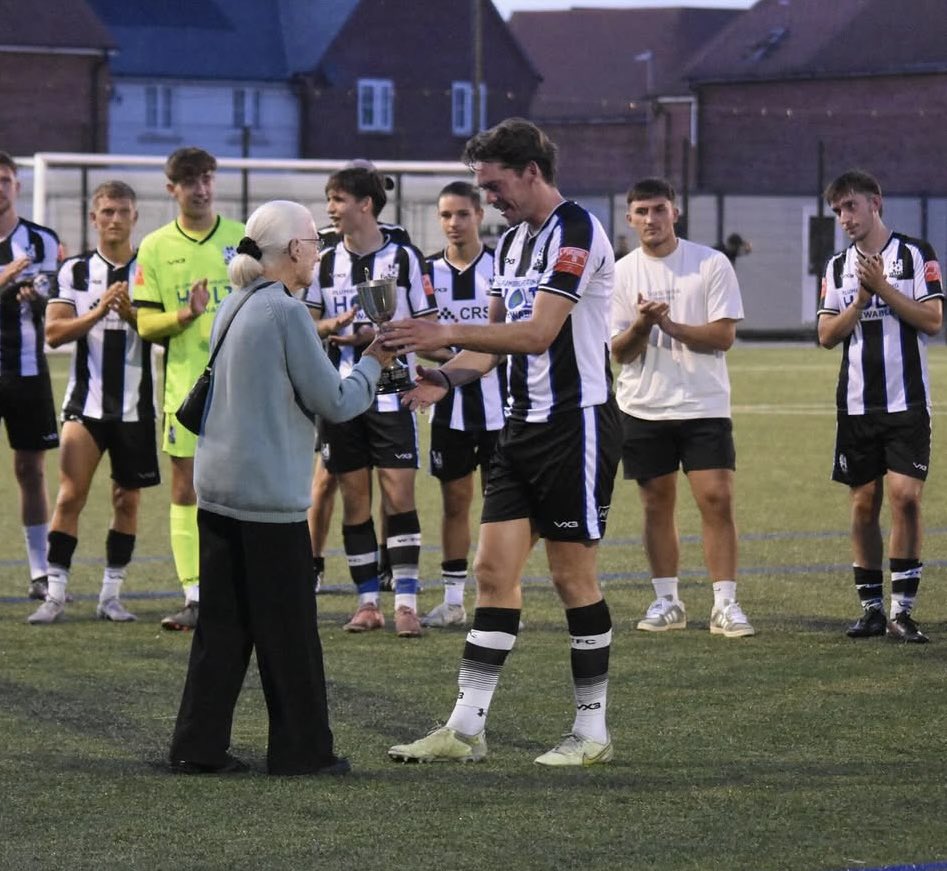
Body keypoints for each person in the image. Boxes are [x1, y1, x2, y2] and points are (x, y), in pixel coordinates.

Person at [384, 117, 621, 766]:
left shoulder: (577, 230)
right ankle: (464, 729)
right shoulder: (512, 243)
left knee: (573, 578)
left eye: (495, 186)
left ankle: (591, 732)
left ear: (531, 173)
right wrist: (443, 373)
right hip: (519, 428)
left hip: (576, 428)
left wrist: (440, 338)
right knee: (492, 574)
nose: (490, 200)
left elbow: (539, 332)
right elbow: (486, 349)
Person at [168, 200, 393, 775]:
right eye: (314, 244)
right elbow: (337, 401)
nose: (318, 251)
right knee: (290, 636)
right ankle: (302, 752)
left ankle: (198, 746)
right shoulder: (287, 313)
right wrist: (373, 361)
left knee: (221, 632)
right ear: (294, 250)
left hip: (218, 489)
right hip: (269, 500)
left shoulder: (234, 303)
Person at [611, 178, 752, 638]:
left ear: (676, 213)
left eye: (658, 210)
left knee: (716, 499)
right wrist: (641, 325)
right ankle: (667, 600)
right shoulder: (620, 273)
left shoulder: (709, 263)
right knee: (656, 504)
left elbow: (724, 336)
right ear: (629, 219)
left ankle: (725, 603)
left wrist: (668, 324)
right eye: (641, 212)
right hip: (642, 406)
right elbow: (620, 351)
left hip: (703, 403)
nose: (650, 220)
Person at [303, 164, 437, 637]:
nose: (330, 209)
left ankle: (405, 603)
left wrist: (395, 341)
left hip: (394, 395)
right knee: (354, 500)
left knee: (399, 495)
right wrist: (332, 328)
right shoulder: (322, 261)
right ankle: (366, 603)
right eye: (329, 199)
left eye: (337, 199)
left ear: (365, 203)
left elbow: (432, 325)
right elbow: (309, 325)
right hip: (341, 397)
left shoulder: (404, 258)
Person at [817, 170, 943, 643]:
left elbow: (932, 319)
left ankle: (903, 610)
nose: (845, 218)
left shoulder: (915, 254)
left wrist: (884, 290)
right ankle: (871, 608)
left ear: (876, 203)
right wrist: (861, 300)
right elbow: (827, 335)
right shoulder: (835, 268)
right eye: (838, 211)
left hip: (907, 402)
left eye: (851, 206)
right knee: (863, 502)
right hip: (856, 405)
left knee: (906, 498)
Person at [27, 181, 159, 624]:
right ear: (93, 218)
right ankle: (56, 593)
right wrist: (99, 312)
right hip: (85, 405)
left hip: (137, 408)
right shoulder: (75, 271)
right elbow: (53, 333)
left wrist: (132, 315)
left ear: (135, 217)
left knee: (127, 501)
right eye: (107, 212)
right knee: (70, 496)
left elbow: (166, 332)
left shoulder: (151, 269)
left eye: (123, 211)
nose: (115, 219)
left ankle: (110, 595)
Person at [134, 148, 244, 631]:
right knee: (186, 489)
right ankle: (196, 595)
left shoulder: (242, 239)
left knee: (244, 489)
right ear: (171, 189)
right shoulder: (155, 247)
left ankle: (242, 589)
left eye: (206, 178)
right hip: (186, 391)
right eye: (189, 181)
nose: (201, 188)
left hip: (244, 387)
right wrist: (187, 314)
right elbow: (144, 323)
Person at [420, 181, 504, 628]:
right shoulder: (426, 273)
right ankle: (453, 601)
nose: (453, 223)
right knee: (455, 502)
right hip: (448, 409)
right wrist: (456, 358)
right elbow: (422, 339)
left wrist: (460, 349)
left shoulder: (501, 267)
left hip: (501, 409)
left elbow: (508, 338)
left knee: (501, 507)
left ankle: (498, 598)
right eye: (446, 215)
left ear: (480, 216)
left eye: (462, 214)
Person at [0, 151, 62, 600]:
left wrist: (38, 295)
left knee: (31, 469)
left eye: (4, 179)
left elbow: (54, 295)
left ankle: (40, 573)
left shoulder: (41, 241)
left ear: (17, 186)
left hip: (26, 371)